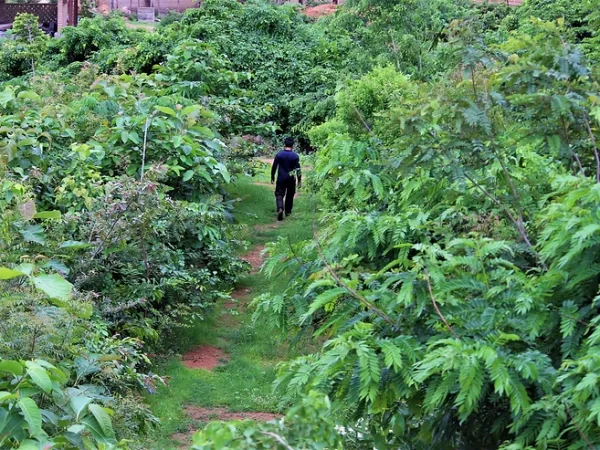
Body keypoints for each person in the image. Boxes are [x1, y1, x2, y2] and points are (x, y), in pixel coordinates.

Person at [271, 137, 301, 221]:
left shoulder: (279, 154)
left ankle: (280, 208)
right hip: (291, 178)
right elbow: (298, 169)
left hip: (281, 178)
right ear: (293, 146)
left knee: (279, 194)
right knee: (290, 195)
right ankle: (288, 211)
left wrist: (272, 176)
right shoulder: (295, 156)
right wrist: (299, 180)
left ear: (284, 144)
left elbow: (274, 166)